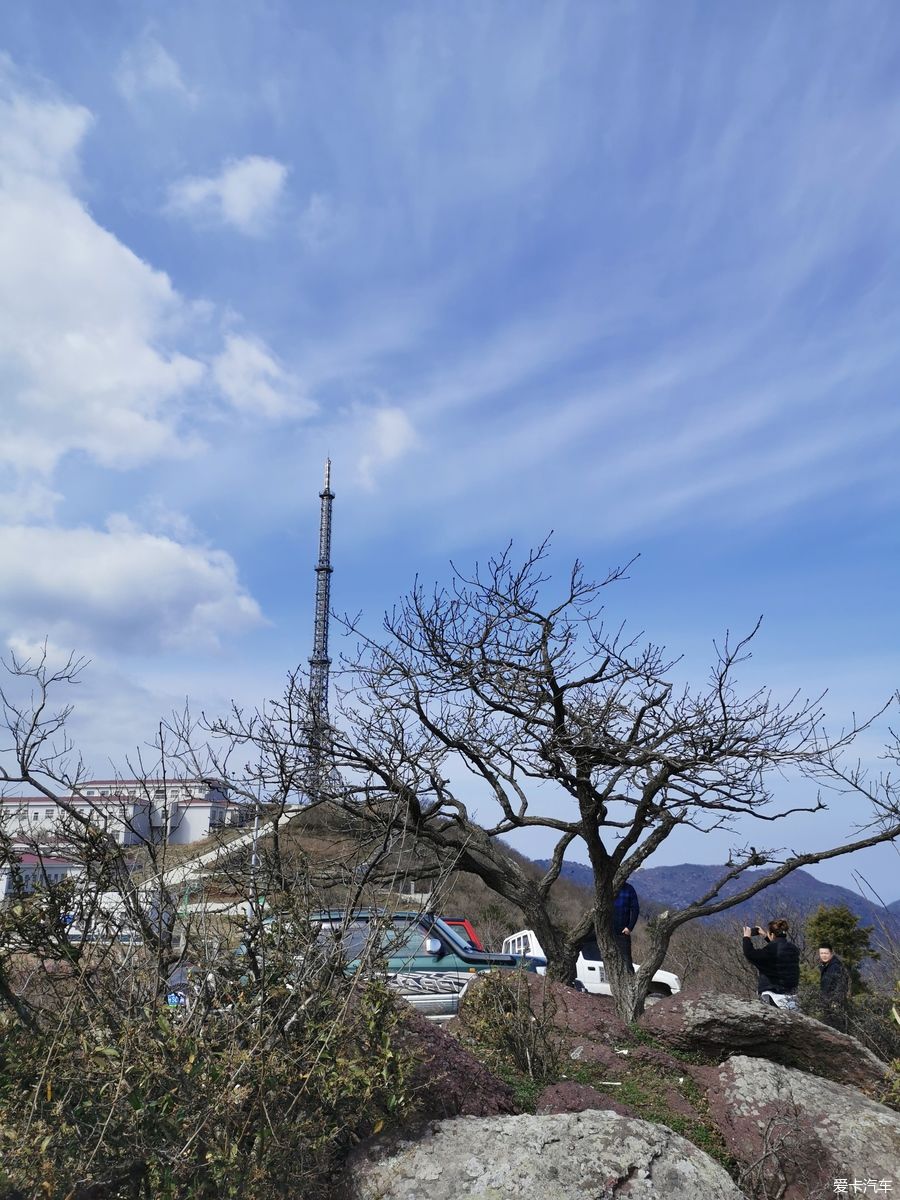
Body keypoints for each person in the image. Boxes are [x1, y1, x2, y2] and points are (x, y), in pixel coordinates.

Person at [742, 919, 800, 1011]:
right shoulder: (793, 948)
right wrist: (766, 936)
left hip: (773, 995)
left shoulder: (771, 950)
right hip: (792, 996)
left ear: (772, 934)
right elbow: (778, 951)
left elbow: (750, 954)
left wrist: (746, 937)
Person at [818, 943, 849, 1030]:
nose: (824, 955)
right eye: (821, 953)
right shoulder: (826, 966)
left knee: (836, 1027)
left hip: (833, 1003)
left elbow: (841, 985)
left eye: (826, 953)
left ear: (831, 953)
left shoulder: (836, 967)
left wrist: (836, 1001)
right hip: (827, 1002)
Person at [612, 880, 639, 971]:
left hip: (622, 931)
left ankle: (630, 982)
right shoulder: (608, 887)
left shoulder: (629, 889)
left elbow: (635, 909)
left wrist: (629, 927)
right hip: (606, 929)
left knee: (627, 962)